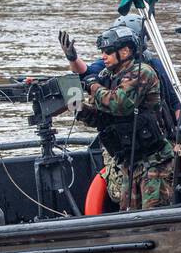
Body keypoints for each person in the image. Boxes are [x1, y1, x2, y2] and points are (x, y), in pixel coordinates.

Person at [75, 25, 174, 210]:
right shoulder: (109, 78)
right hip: (130, 164)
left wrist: (93, 86)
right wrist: (78, 108)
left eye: (108, 51)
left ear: (126, 50)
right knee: (128, 216)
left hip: (155, 162)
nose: (103, 55)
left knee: (154, 215)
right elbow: (101, 118)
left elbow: (120, 104)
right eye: (102, 51)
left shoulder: (141, 72)